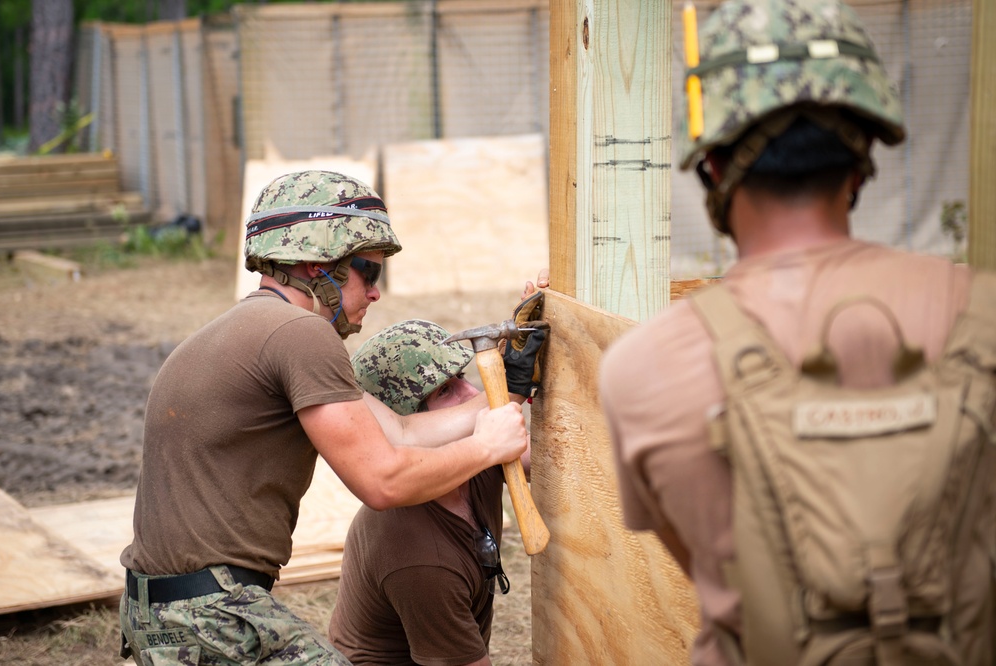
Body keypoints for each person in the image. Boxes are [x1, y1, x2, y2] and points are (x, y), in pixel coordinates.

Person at [600, 1, 995, 664]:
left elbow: (697, 558)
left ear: (714, 168)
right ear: (863, 154)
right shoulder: (982, 316)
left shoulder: (641, 369)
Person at [119, 170, 535, 666]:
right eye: (369, 272)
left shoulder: (252, 328)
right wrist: (485, 449)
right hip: (209, 613)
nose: (377, 293)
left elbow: (403, 431)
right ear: (320, 268)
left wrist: (510, 384)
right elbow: (383, 481)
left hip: (168, 610)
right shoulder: (301, 334)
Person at [328, 318, 531, 666]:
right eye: (445, 392)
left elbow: (553, 463)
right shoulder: (418, 555)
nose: (473, 398)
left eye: (462, 379)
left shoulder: (473, 458)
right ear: (417, 428)